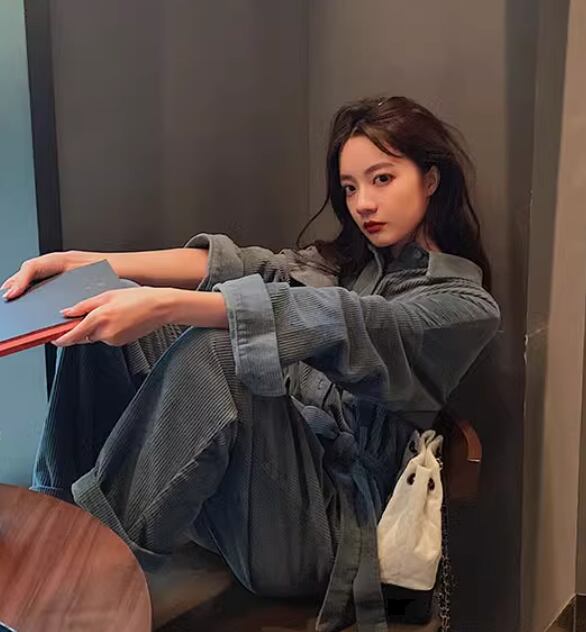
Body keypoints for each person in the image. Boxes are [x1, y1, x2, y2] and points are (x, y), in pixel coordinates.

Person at [1, 95, 500, 631]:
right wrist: (96, 267)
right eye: (351, 188)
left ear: (430, 179)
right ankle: (59, 524)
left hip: (327, 527)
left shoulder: (463, 308)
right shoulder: (352, 263)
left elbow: (345, 320)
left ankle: (80, 575)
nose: (363, 204)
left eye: (382, 179)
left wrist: (166, 306)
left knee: (215, 350)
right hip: (267, 488)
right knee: (101, 315)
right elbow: (248, 266)